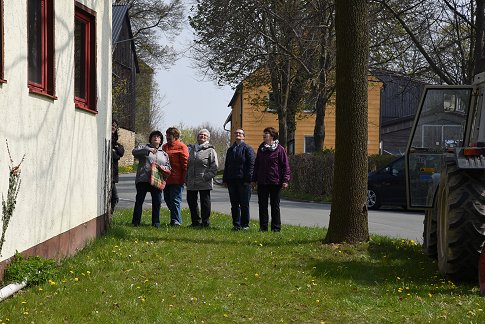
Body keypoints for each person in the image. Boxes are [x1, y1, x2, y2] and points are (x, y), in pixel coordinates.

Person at [252, 127, 290, 232]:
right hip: (262, 182)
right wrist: (254, 179)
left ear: (272, 136)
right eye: (263, 134)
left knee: (275, 206)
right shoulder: (261, 148)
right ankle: (263, 228)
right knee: (262, 206)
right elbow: (257, 165)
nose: (264, 136)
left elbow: (285, 166)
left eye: (266, 134)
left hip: (275, 182)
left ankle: (276, 229)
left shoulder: (280, 149)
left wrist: (285, 180)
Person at [131, 130, 171, 227]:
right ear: (151, 138)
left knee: (157, 202)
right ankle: (136, 222)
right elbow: (134, 152)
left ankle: (156, 223)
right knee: (139, 200)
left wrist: (162, 168)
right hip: (143, 178)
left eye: (158, 137)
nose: (156, 138)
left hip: (157, 180)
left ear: (161, 141)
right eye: (154, 136)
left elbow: (168, 167)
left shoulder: (164, 154)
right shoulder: (143, 147)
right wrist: (148, 150)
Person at [223, 128, 255, 231]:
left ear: (244, 136)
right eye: (236, 133)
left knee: (244, 204)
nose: (238, 134)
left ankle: (245, 225)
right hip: (232, 181)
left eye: (240, 133)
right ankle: (236, 224)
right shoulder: (230, 149)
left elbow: (251, 165)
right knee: (234, 204)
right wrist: (225, 179)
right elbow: (227, 165)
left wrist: (248, 180)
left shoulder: (248, 149)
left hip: (244, 182)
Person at [186, 129, 218, 227]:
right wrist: (186, 178)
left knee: (205, 203)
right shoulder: (192, 150)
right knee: (191, 201)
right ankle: (195, 222)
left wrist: (206, 177)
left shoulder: (210, 150)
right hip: (192, 181)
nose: (202, 136)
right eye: (200, 135)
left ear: (208, 138)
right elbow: (188, 165)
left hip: (204, 181)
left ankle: (205, 222)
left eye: (204, 135)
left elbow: (214, 167)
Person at [162, 127, 189, 226]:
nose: (167, 137)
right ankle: (175, 217)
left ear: (176, 137)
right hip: (166, 179)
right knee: (167, 199)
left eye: (170, 135)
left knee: (175, 200)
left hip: (177, 179)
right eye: (167, 135)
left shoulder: (182, 147)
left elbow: (185, 164)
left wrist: (184, 178)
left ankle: (176, 221)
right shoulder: (164, 147)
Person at [111, 119, 125, 212]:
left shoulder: (115, 143)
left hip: (113, 173)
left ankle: (109, 215)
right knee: (115, 197)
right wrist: (115, 154)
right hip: (108, 173)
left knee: (114, 198)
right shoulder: (106, 139)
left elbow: (120, 153)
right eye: (112, 125)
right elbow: (113, 155)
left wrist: (115, 151)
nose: (113, 128)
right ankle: (109, 215)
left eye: (115, 127)